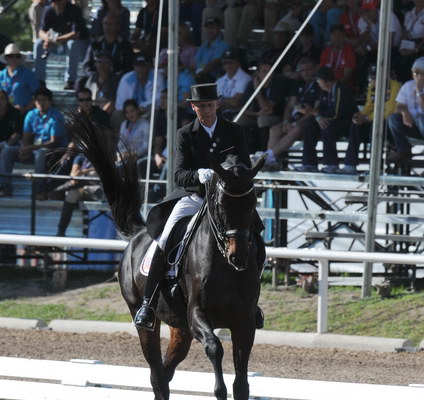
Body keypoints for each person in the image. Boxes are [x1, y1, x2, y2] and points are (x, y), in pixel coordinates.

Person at [133, 82, 264, 331]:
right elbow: (179, 175)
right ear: (193, 107)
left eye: (209, 105)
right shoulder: (185, 134)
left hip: (227, 200)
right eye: (200, 106)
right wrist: (198, 175)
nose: (205, 110)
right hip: (194, 198)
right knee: (164, 238)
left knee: (256, 234)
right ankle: (147, 304)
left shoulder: (233, 131)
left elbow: (245, 167)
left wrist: (227, 175)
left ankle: (253, 303)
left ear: (217, 104)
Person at [0, 87, 66, 198]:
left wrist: (30, 148)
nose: (41, 103)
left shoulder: (56, 116)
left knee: (41, 153)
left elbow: (54, 142)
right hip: (34, 150)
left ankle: (39, 189)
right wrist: (24, 149)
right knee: (7, 150)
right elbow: (26, 137)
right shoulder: (31, 114)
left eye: (44, 100)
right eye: (38, 100)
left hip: (53, 154)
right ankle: (5, 187)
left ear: (50, 101)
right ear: (34, 101)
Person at [250, 57, 320, 169]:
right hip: (293, 121)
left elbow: (314, 111)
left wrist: (296, 123)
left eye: (308, 69)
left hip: (308, 123)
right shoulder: (299, 84)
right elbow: (289, 106)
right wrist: (287, 121)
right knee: (274, 130)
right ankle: (272, 161)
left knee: (296, 129)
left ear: (314, 69)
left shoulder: (319, 85)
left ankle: (268, 156)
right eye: (302, 70)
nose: (305, 73)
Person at [296, 65, 358, 173]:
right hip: (333, 120)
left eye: (319, 80)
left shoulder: (340, 89)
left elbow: (336, 114)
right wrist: (318, 117)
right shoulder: (324, 91)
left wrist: (314, 112)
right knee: (309, 124)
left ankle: (331, 163)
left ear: (326, 81)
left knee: (327, 126)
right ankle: (309, 163)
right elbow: (319, 109)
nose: (318, 83)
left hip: (348, 122)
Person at [339, 65, 401, 174]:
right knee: (356, 125)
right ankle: (350, 164)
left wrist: (368, 118)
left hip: (391, 124)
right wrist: (360, 116)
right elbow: (369, 106)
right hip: (374, 119)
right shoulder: (372, 87)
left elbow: (390, 110)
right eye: (372, 78)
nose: (373, 80)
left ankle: (377, 167)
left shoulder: (396, 86)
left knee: (376, 127)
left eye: (376, 77)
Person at [34, 0, 89, 90]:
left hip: (78, 47)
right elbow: (41, 31)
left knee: (72, 44)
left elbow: (76, 34)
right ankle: (40, 80)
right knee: (39, 44)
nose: (57, 3)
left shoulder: (74, 10)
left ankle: (70, 81)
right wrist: (47, 39)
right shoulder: (49, 10)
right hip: (57, 44)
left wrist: (56, 40)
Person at [55, 154, 104, 236]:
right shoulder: (80, 157)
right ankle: (61, 230)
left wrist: (83, 172)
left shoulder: (103, 157)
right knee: (72, 194)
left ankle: (58, 190)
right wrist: (83, 172)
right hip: (82, 188)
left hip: (98, 190)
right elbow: (74, 175)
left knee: (90, 182)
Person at [387, 57, 424, 163]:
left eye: (419, 73)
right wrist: (405, 112)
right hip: (412, 125)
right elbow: (398, 106)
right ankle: (403, 150)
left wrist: (420, 91)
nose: (415, 75)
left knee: (422, 119)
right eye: (414, 72)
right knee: (393, 118)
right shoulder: (408, 85)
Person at [0, 43, 40, 115]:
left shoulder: (28, 74)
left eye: (17, 56)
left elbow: (38, 94)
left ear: (20, 58)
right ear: (6, 58)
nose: (14, 59)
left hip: (24, 113)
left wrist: (26, 108)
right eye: (10, 56)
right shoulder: (1, 75)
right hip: (5, 113)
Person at [83, 13, 133, 78]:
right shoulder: (95, 44)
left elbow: (129, 66)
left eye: (111, 24)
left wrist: (118, 75)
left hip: (117, 78)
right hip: (97, 77)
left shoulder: (125, 45)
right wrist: (92, 74)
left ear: (118, 27)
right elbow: (87, 64)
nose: (108, 26)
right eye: (106, 23)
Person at [0, 90, 23, 164]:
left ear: (7, 101)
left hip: (10, 145)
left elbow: (17, 134)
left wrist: (5, 148)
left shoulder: (15, 113)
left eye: (2, 98)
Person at [215, 48, 252, 120]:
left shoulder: (246, 78)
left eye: (231, 62)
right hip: (220, 113)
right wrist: (228, 101)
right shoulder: (219, 81)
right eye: (225, 62)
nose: (228, 65)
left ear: (238, 63)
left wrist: (221, 100)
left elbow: (236, 103)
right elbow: (214, 102)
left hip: (237, 114)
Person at [192, 16, 229, 83]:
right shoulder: (203, 45)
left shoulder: (224, 45)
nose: (210, 30)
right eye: (208, 28)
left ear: (219, 28)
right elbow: (195, 62)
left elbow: (214, 63)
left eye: (213, 27)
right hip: (199, 75)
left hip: (211, 78)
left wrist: (200, 74)